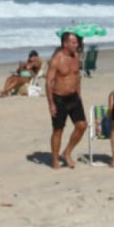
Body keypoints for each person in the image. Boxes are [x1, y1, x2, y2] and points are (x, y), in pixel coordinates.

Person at [46, 31, 86, 169]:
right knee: (58, 130)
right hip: (59, 99)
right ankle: (55, 159)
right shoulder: (57, 59)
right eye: (73, 42)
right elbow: (48, 82)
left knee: (82, 125)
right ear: (65, 43)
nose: (77, 45)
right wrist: (51, 104)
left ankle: (67, 152)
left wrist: (79, 95)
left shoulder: (76, 56)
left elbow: (77, 76)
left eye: (77, 42)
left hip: (73, 97)